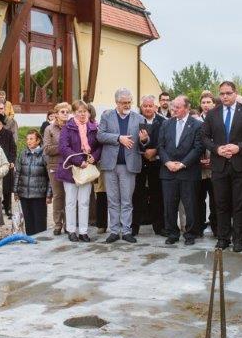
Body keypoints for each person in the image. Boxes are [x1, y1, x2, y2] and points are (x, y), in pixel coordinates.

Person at [202, 80, 242, 252]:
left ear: (235, 93)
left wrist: (239, 147)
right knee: (221, 203)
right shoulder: (213, 113)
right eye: (222, 93)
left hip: (241, 165)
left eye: (228, 93)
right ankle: (223, 238)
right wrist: (217, 149)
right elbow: (204, 137)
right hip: (219, 165)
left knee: (240, 203)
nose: (225, 96)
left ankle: (238, 238)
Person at [97, 89, 143, 243]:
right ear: (116, 102)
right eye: (124, 102)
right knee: (112, 199)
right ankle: (115, 231)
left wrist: (144, 139)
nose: (127, 105)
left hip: (129, 166)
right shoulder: (107, 116)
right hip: (110, 165)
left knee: (127, 200)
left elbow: (144, 143)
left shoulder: (139, 118)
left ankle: (127, 231)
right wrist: (118, 138)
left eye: (129, 102)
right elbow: (100, 135)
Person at [157, 96, 203, 245]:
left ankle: (190, 234)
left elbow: (198, 148)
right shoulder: (166, 124)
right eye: (173, 107)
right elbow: (161, 146)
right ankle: (172, 233)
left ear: (187, 108)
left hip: (188, 172)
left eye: (177, 107)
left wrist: (183, 164)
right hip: (168, 172)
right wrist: (168, 162)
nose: (174, 109)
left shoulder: (197, 125)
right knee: (169, 205)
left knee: (190, 205)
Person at [58, 100, 102, 242]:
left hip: (86, 169)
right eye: (79, 111)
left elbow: (99, 147)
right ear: (74, 113)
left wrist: (93, 158)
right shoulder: (67, 127)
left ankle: (83, 231)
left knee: (84, 202)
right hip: (71, 169)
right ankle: (71, 230)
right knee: (71, 202)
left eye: (84, 111)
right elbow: (64, 148)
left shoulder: (94, 128)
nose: (82, 114)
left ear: (88, 112)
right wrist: (79, 161)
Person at [131, 95, 166, 238]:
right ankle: (134, 227)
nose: (147, 108)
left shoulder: (163, 121)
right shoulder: (135, 120)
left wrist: (155, 150)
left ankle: (159, 227)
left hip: (157, 163)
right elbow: (132, 139)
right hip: (139, 162)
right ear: (141, 107)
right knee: (137, 195)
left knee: (157, 195)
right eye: (145, 106)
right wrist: (143, 149)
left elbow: (165, 140)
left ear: (155, 107)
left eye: (150, 106)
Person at [14, 129, 52, 235]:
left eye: (31, 139)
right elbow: (18, 173)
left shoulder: (44, 155)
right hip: (24, 194)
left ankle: (40, 244)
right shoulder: (23, 154)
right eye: (27, 139)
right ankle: (30, 244)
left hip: (39, 195)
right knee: (28, 222)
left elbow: (50, 177)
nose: (29, 141)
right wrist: (16, 190)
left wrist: (49, 194)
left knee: (39, 222)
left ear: (38, 140)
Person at [43, 102, 71, 235]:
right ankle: (58, 224)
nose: (65, 114)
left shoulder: (72, 127)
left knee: (69, 195)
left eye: (67, 112)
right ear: (56, 114)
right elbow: (47, 149)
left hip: (70, 165)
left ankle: (69, 223)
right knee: (58, 195)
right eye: (62, 112)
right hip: (55, 165)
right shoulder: (49, 129)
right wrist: (63, 148)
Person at [194, 92, 218, 238]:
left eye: (209, 102)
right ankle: (199, 226)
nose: (206, 105)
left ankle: (216, 227)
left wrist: (213, 159)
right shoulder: (195, 121)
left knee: (216, 200)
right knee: (198, 199)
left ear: (214, 104)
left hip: (215, 166)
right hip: (198, 167)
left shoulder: (218, 119)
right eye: (203, 102)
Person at [0, 115, 17, 216]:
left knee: (7, 188)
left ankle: (8, 208)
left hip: (6, 164)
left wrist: (11, 161)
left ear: (3, 125)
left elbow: (13, 149)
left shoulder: (8, 134)